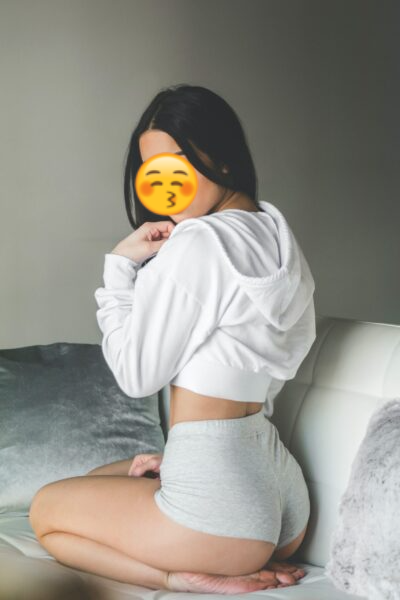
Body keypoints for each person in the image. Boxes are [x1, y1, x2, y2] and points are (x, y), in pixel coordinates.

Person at [29, 84, 316, 594]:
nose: (165, 184)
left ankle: (178, 576)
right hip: (280, 491)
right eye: (151, 169)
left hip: (224, 509)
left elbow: (136, 377)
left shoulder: (200, 242)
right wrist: (192, 456)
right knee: (106, 476)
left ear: (221, 159)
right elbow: (271, 365)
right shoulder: (275, 235)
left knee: (45, 510)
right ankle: (193, 504)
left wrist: (119, 268)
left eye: (177, 163)